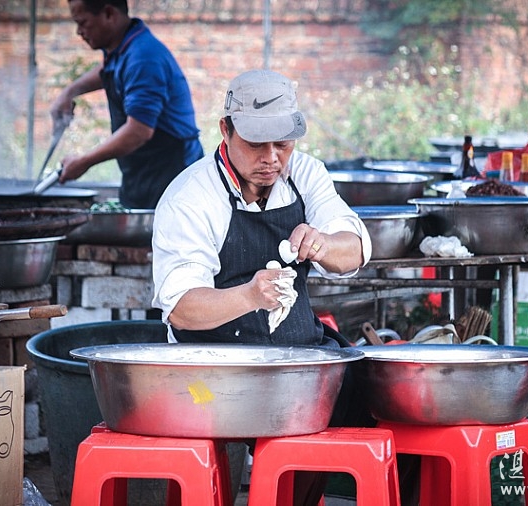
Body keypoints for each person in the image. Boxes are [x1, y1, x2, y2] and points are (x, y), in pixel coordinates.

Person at [151, 69, 373, 505]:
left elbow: (356, 248)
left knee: (367, 396)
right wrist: (250, 296)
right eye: (257, 144)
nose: (272, 158)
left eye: (283, 144)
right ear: (226, 130)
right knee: (235, 432)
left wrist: (324, 243)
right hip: (211, 373)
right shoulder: (191, 197)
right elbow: (181, 308)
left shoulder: (306, 174)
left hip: (297, 362)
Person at [50, 0, 203, 209]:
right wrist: (69, 92)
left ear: (109, 14)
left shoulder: (144, 58)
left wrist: (84, 161)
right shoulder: (123, 48)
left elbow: (139, 131)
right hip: (143, 174)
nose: (79, 32)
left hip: (173, 177)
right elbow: (108, 69)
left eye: (83, 23)